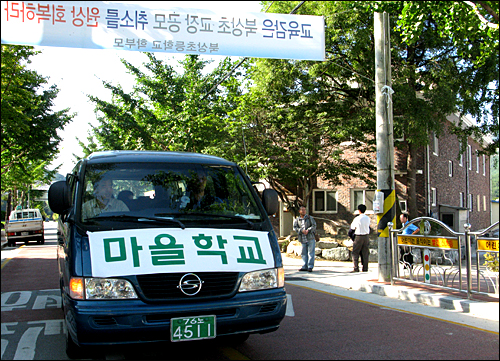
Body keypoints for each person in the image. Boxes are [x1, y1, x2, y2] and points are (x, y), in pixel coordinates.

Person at [293, 206, 317, 272]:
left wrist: (308, 230)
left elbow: (314, 225)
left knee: (311, 253)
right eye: (302, 210)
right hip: (302, 238)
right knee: (304, 253)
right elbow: (295, 227)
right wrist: (301, 230)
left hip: (310, 238)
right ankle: (304, 266)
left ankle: (310, 266)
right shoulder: (297, 220)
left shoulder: (310, 218)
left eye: (304, 210)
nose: (303, 211)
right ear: (299, 211)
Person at [349, 204, 371, 273]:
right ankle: (365, 268)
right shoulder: (368, 218)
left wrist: (351, 237)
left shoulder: (357, 218)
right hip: (366, 236)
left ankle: (356, 267)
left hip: (358, 236)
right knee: (365, 252)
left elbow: (352, 229)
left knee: (355, 252)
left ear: (359, 210)